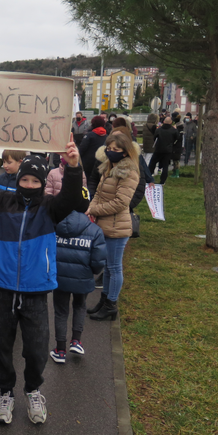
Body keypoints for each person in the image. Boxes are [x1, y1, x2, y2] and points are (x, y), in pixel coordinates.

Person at [0, 135, 86, 426]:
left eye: (35, 182)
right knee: (3, 345)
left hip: (37, 291)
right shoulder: (0, 202)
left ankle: (33, 390)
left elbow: (72, 197)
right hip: (2, 287)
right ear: (18, 181)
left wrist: (74, 166)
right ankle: (5, 392)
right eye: (24, 180)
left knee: (36, 348)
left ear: (42, 184)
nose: (28, 186)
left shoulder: (50, 208)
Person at [86, 131, 139, 321]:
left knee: (114, 267)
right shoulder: (109, 167)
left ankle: (111, 305)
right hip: (105, 225)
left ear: (125, 152)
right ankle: (104, 300)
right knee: (107, 267)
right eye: (108, 148)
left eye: (115, 149)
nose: (110, 152)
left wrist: (96, 210)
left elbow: (120, 203)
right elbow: (100, 192)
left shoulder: (129, 172)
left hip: (117, 227)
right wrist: (92, 207)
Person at [49, 211, 106, 364]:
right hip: (83, 277)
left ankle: (60, 350)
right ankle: (76, 341)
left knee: (61, 311)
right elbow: (99, 259)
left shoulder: (54, 227)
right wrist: (92, 272)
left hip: (59, 277)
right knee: (80, 306)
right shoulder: (94, 230)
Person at [148, 116, 178, 185]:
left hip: (158, 149)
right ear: (171, 122)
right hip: (168, 150)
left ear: (164, 122)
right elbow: (177, 138)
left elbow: (155, 137)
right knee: (165, 166)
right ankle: (162, 181)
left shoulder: (159, 129)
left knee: (152, 163)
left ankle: (149, 177)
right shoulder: (173, 130)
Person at [171, 111, 184, 178]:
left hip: (177, 145)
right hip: (176, 145)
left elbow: (178, 137)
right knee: (174, 159)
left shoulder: (179, 127)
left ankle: (176, 173)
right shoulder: (177, 126)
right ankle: (174, 172)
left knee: (176, 159)